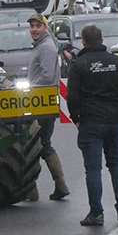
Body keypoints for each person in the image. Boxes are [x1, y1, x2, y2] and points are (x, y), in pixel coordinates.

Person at [66, 24, 118, 226]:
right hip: (114, 122)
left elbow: (72, 97)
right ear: (102, 41)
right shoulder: (117, 62)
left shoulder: (79, 65)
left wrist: (76, 118)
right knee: (116, 163)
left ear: (84, 42)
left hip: (91, 122)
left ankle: (96, 213)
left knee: (93, 169)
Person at [26, 12, 70, 201]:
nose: (34, 30)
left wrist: (27, 90)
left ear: (45, 28)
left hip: (42, 104)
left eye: (38, 26)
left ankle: (58, 184)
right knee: (35, 145)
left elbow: (46, 77)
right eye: (32, 27)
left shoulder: (46, 48)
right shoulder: (41, 46)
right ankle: (34, 188)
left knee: (39, 144)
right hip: (40, 103)